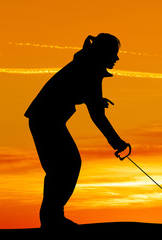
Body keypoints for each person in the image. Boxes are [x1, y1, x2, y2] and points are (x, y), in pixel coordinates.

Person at [25, 33, 129, 230]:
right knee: (65, 167)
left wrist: (94, 100)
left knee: (63, 168)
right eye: (113, 54)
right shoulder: (91, 70)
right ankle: (52, 220)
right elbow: (97, 116)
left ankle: (52, 218)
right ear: (103, 53)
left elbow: (74, 91)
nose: (116, 59)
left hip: (45, 119)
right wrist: (117, 142)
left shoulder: (87, 66)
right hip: (46, 120)